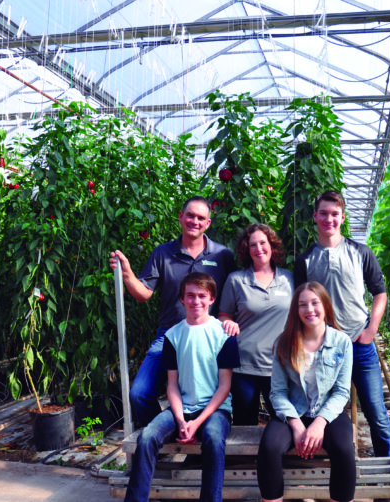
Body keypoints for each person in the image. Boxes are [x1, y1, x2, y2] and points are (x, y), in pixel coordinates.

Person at [109, 196, 236, 429]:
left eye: (201, 218)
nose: (194, 221)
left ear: (208, 223)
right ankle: (165, 436)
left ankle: (200, 432)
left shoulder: (222, 256)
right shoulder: (163, 253)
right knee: (139, 394)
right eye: (190, 215)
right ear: (180, 217)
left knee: (221, 392)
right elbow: (144, 293)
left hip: (210, 339)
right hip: (170, 336)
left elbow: (236, 294)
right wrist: (127, 275)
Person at [293, 190, 390, 457]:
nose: (329, 219)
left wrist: (371, 329)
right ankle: (326, 462)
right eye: (323, 213)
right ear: (315, 216)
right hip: (324, 348)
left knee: (375, 410)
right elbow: (300, 304)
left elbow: (380, 291)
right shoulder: (305, 260)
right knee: (321, 409)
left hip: (359, 344)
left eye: (335, 214)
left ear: (343, 217)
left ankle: (388, 466)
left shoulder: (360, 252)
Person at [123, 272, 240, 502]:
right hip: (182, 407)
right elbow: (173, 385)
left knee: (214, 439)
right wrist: (181, 420)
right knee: (146, 437)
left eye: (201, 296)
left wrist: (196, 423)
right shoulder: (173, 336)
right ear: (182, 299)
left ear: (212, 299)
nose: (196, 301)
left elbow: (224, 387)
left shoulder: (223, 335)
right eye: (190, 296)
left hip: (215, 410)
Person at [257, 282, 355, 502]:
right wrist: (297, 425)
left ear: (325, 306)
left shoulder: (342, 342)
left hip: (328, 411)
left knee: (343, 449)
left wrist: (319, 423)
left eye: (314, 303)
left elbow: (341, 392)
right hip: (293, 411)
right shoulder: (283, 343)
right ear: (296, 310)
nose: (309, 310)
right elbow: (278, 392)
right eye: (302, 305)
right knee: (269, 447)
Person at [218, 224, 294, 425]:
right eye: (253, 245)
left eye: (263, 243)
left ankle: (275, 457)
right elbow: (224, 315)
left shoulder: (288, 279)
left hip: (280, 364)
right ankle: (245, 458)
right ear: (246, 249)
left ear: (272, 245)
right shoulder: (236, 280)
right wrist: (228, 323)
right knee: (244, 421)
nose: (259, 248)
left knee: (283, 419)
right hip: (244, 364)